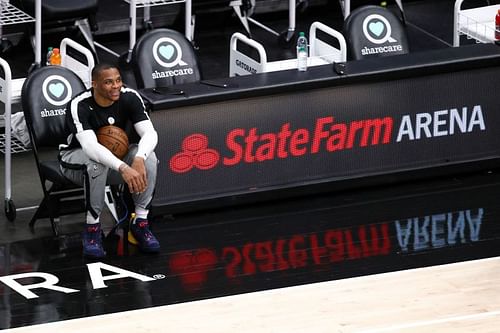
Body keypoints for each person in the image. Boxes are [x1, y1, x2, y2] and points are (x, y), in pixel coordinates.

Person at [60, 63, 160, 258]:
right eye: (108, 82)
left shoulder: (129, 96)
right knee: (97, 162)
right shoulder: (79, 104)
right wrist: (123, 167)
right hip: (75, 159)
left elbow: (150, 133)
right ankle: (92, 229)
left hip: (114, 160)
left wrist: (139, 158)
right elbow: (90, 148)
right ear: (94, 84)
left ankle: (140, 223)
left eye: (118, 80)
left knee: (149, 157)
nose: (115, 86)